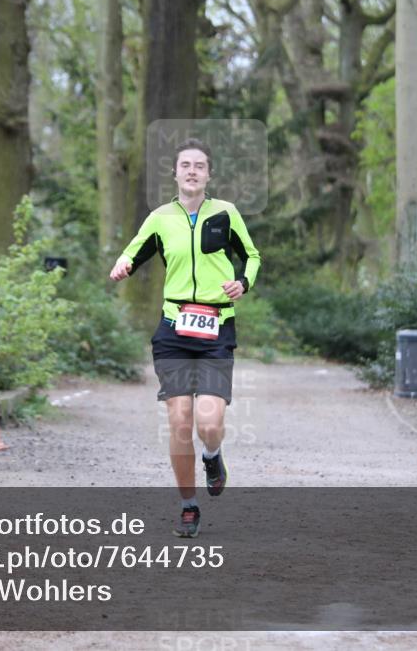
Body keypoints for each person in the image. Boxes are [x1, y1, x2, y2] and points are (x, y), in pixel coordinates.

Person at [109, 138, 261, 537]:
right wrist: (124, 264)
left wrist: (243, 282)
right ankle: (188, 505)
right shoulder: (160, 217)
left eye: (199, 166)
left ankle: (213, 456)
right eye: (185, 165)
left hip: (216, 328)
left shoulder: (226, 214)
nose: (192, 171)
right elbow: (135, 251)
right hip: (174, 329)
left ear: (208, 175)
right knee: (179, 422)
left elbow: (252, 256)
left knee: (209, 422)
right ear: (175, 173)